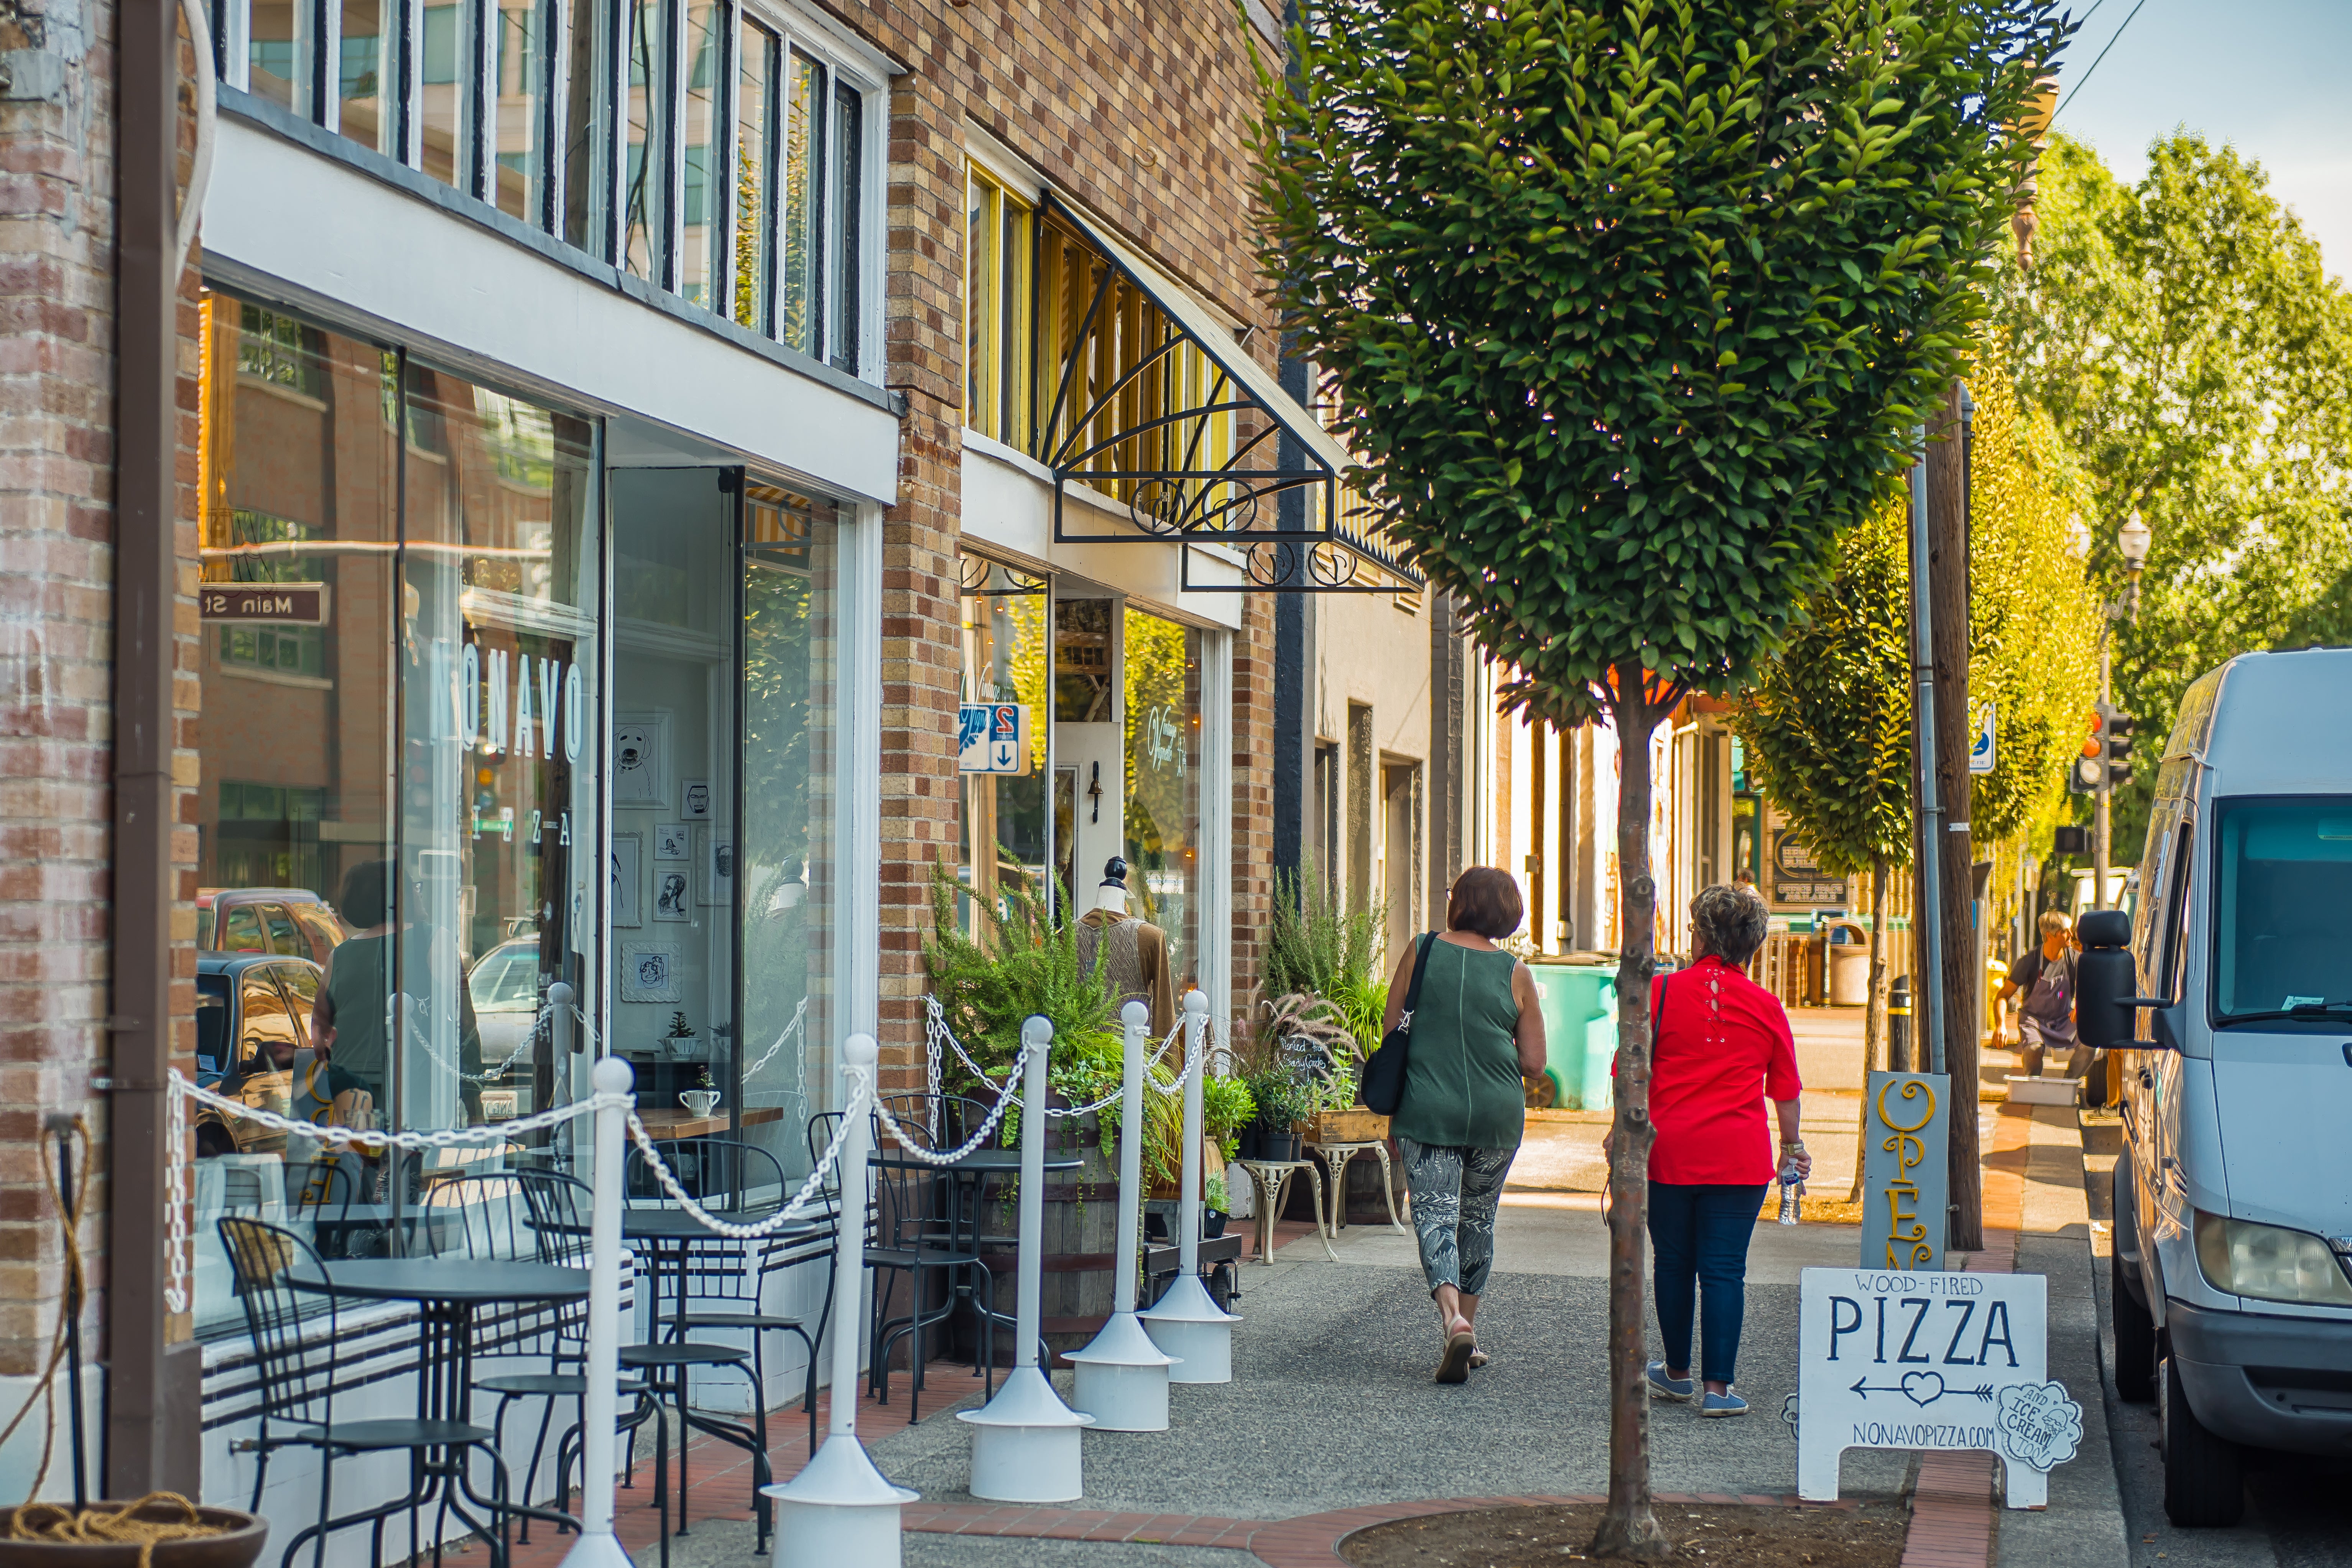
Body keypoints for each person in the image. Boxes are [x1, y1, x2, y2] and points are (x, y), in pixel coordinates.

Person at [1634, 882, 1806, 1417]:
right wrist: (1793, 1147)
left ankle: (1677, 1373)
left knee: (1673, 1261)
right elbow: (1785, 1089)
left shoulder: (1657, 995)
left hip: (1668, 1151)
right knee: (1725, 1269)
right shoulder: (1767, 1006)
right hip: (1740, 1156)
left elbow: (1627, 1071)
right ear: (1751, 944)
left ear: (1701, 935)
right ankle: (1718, 1390)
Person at [1380, 866, 1547, 1384]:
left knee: (1434, 1215)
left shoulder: (1422, 950)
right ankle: (1468, 1330)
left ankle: (1452, 1318)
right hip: (1496, 1115)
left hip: (1428, 1108)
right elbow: (1536, 1062)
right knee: (1477, 1218)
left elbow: (1391, 1029)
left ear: (1458, 904)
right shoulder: (1516, 972)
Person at [1995, 909, 2081, 1081]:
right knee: (2034, 1049)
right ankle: (2033, 1084)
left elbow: (2091, 987)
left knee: (2090, 1043)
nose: (2071, 935)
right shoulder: (2030, 962)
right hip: (2033, 1021)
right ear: (2050, 936)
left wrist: (2081, 1005)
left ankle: (2069, 1082)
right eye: (2065, 931)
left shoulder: (2075, 960)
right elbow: (2003, 996)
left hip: (2063, 1020)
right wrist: (2001, 1025)